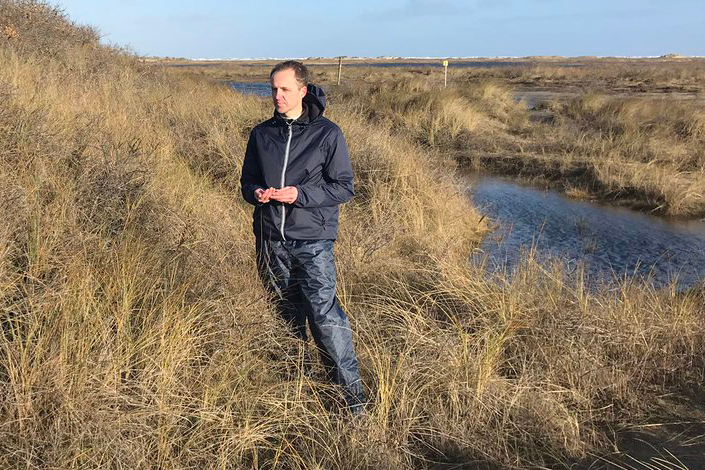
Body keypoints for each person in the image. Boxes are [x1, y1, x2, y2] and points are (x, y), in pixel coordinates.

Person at [240, 60, 366, 414]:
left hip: (312, 241)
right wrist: (258, 194)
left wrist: (300, 195)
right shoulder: (261, 134)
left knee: (325, 318)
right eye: (273, 90)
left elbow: (343, 188)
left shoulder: (328, 134)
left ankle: (353, 403)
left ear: (302, 91)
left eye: (284, 89)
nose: (277, 96)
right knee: (284, 316)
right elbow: (247, 182)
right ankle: (295, 391)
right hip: (269, 241)